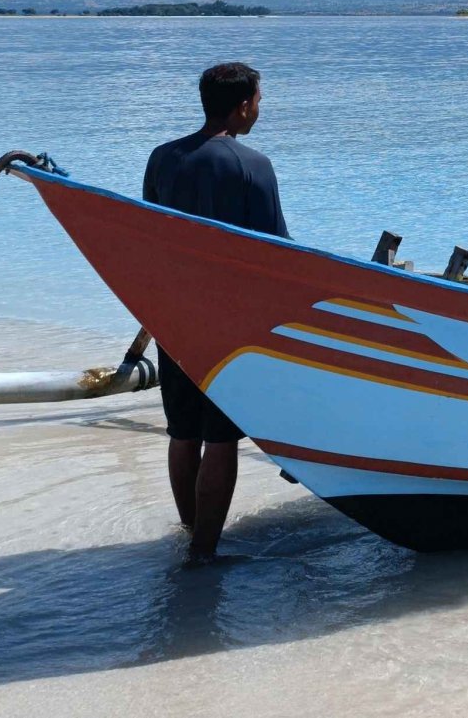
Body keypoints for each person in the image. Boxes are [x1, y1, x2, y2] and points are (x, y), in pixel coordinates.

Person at [143, 62, 288, 565]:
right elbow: (276, 254)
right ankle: (204, 553)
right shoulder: (252, 164)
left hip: (172, 316)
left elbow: (148, 238)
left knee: (183, 432)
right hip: (228, 324)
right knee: (221, 436)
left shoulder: (162, 159)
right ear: (243, 103)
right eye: (259, 100)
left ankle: (189, 531)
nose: (260, 109)